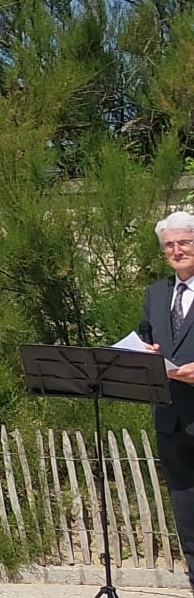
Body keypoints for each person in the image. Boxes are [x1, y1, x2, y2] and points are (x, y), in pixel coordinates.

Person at [138, 209, 194, 593]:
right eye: (170, 245)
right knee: (187, 515)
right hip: (171, 419)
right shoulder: (155, 294)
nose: (177, 250)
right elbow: (145, 337)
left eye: (184, 242)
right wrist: (145, 350)